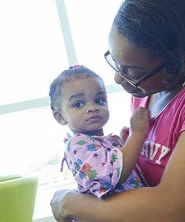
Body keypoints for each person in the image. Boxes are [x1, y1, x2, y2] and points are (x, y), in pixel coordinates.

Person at [50, 0, 185, 222]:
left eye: (131, 71)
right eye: (115, 62)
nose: (118, 78)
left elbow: (174, 209)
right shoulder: (143, 96)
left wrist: (72, 202)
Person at [49, 65, 149, 199]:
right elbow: (113, 175)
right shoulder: (77, 145)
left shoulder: (101, 142)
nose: (92, 107)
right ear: (60, 117)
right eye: (78, 104)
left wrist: (124, 143)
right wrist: (137, 134)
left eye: (99, 100)